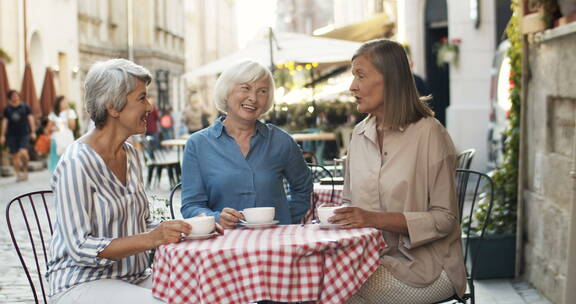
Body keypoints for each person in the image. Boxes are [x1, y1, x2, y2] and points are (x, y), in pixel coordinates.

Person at [46, 59, 219, 304]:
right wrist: (153, 238)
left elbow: (142, 223)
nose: (150, 106)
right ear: (112, 107)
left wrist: (185, 227)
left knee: (204, 293)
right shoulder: (76, 162)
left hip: (133, 277)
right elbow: (79, 247)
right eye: (141, 98)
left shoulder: (130, 154)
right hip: (81, 282)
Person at [328, 39, 466, 304]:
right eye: (352, 75)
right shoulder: (359, 134)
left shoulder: (429, 133)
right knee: (326, 280)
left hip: (429, 266)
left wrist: (372, 219)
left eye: (361, 75)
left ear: (390, 79)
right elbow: (349, 202)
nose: (352, 86)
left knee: (339, 290)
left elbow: (445, 218)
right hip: (370, 258)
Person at [180, 60, 313, 228]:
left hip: (276, 245)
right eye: (245, 88)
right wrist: (215, 219)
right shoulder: (198, 145)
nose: (253, 98)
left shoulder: (282, 141)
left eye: (262, 91)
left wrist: (286, 219)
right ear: (226, 92)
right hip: (223, 245)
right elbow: (191, 206)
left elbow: (303, 188)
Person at [0, 90, 36, 182]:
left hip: (24, 133)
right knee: (14, 156)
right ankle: (18, 174)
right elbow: (5, 122)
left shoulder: (25, 107)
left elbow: (31, 119)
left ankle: (25, 171)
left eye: (16, 95)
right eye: (12, 96)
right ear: (9, 98)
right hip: (12, 135)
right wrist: (2, 135)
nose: (15, 97)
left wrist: (33, 132)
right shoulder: (7, 109)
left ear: (19, 96)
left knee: (23, 153)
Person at [47, 96, 77, 172]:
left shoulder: (70, 112)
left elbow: (72, 126)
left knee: (69, 156)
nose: (65, 103)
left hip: (67, 137)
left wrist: (67, 114)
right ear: (58, 103)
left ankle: (69, 173)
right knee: (56, 158)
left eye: (66, 101)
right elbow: (48, 129)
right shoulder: (53, 114)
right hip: (56, 139)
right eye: (63, 101)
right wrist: (54, 128)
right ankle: (57, 174)